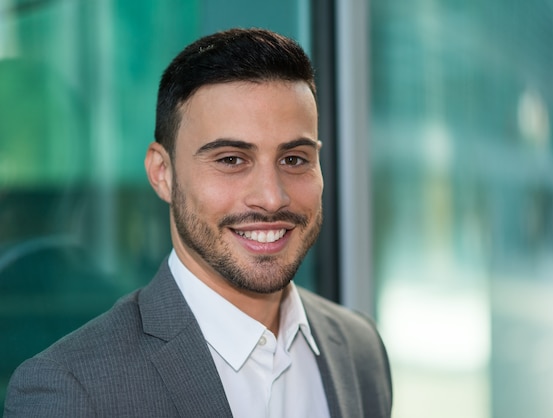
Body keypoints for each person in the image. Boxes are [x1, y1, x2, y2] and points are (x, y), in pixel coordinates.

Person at [4, 28, 392, 418]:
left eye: (294, 159)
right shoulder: (70, 390)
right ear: (162, 173)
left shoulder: (359, 351)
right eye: (230, 160)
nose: (272, 197)